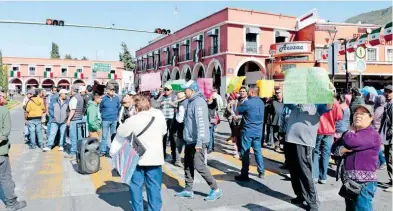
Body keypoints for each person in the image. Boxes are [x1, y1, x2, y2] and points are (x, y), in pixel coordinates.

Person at [285, 82, 334, 211]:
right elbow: (287, 101)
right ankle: (300, 195)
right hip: (290, 139)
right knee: (294, 170)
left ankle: (313, 202)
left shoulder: (317, 103)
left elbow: (328, 106)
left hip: (304, 142)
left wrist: (330, 92)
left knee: (305, 171)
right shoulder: (295, 101)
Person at [175, 80, 223, 201]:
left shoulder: (199, 102)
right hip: (190, 140)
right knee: (188, 165)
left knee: (199, 165)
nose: (183, 91)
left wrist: (199, 142)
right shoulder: (190, 102)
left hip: (198, 141)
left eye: (185, 89)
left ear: (192, 90)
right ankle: (188, 189)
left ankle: (216, 189)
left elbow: (201, 124)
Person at [117, 95, 167, 211]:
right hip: (155, 157)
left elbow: (120, 132)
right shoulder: (158, 115)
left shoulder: (133, 119)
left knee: (136, 186)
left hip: (137, 158)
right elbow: (164, 131)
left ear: (136, 107)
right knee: (154, 187)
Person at [332, 104, 381, 210]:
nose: (358, 116)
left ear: (371, 118)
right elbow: (334, 148)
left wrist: (349, 131)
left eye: (362, 114)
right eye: (356, 113)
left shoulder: (372, 134)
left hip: (364, 184)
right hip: (349, 182)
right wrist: (342, 150)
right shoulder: (350, 133)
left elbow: (351, 141)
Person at [0, 90, 27, 211]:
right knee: (5, 177)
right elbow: (5, 131)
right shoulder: (3, 111)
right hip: (1, 152)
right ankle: (11, 203)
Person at [234, 86, 265, 181]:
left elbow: (237, 110)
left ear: (251, 92)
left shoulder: (248, 102)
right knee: (258, 151)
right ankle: (261, 171)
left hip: (248, 131)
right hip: (258, 131)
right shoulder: (261, 102)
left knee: (245, 152)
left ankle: (244, 174)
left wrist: (237, 101)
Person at [313, 97, 343, 184]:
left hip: (318, 130)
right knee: (326, 154)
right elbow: (339, 116)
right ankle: (323, 177)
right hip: (330, 131)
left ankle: (315, 175)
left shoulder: (317, 99)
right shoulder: (334, 101)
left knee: (315, 152)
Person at [99, 84, 120, 156]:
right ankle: (103, 151)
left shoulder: (117, 98)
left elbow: (118, 107)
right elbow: (100, 108)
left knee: (113, 136)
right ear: (107, 90)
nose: (112, 91)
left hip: (114, 119)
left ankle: (113, 151)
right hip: (105, 120)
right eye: (111, 89)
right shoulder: (103, 98)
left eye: (113, 89)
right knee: (104, 136)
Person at [157, 84, 176, 162]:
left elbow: (178, 105)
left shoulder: (174, 97)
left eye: (168, 90)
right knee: (163, 137)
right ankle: (163, 154)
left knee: (172, 137)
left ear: (171, 90)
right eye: (165, 89)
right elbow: (156, 104)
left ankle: (174, 156)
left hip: (171, 118)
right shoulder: (161, 97)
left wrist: (172, 104)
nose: (166, 91)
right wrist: (160, 104)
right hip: (163, 119)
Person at [65, 85, 85, 159]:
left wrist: (68, 119)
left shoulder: (74, 98)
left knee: (73, 137)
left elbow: (73, 110)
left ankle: (73, 153)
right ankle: (79, 151)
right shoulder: (81, 97)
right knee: (79, 137)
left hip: (74, 120)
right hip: (80, 119)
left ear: (72, 90)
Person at [380, 85, 393, 192]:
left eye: (390, 91)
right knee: (389, 158)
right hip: (388, 136)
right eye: (386, 91)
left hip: (391, 137)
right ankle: (391, 180)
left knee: (391, 159)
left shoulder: (392, 105)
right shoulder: (388, 104)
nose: (388, 93)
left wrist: (390, 132)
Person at [172, 92, 188, 167]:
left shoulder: (181, 106)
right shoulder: (189, 102)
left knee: (179, 145)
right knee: (188, 145)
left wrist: (176, 115)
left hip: (182, 128)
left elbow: (179, 119)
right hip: (188, 128)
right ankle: (187, 160)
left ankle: (178, 161)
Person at [373, 95, 387, 169]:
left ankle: (382, 161)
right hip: (380, 129)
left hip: (376, 130)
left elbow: (373, 120)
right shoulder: (384, 107)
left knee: (376, 147)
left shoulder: (378, 109)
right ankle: (379, 162)